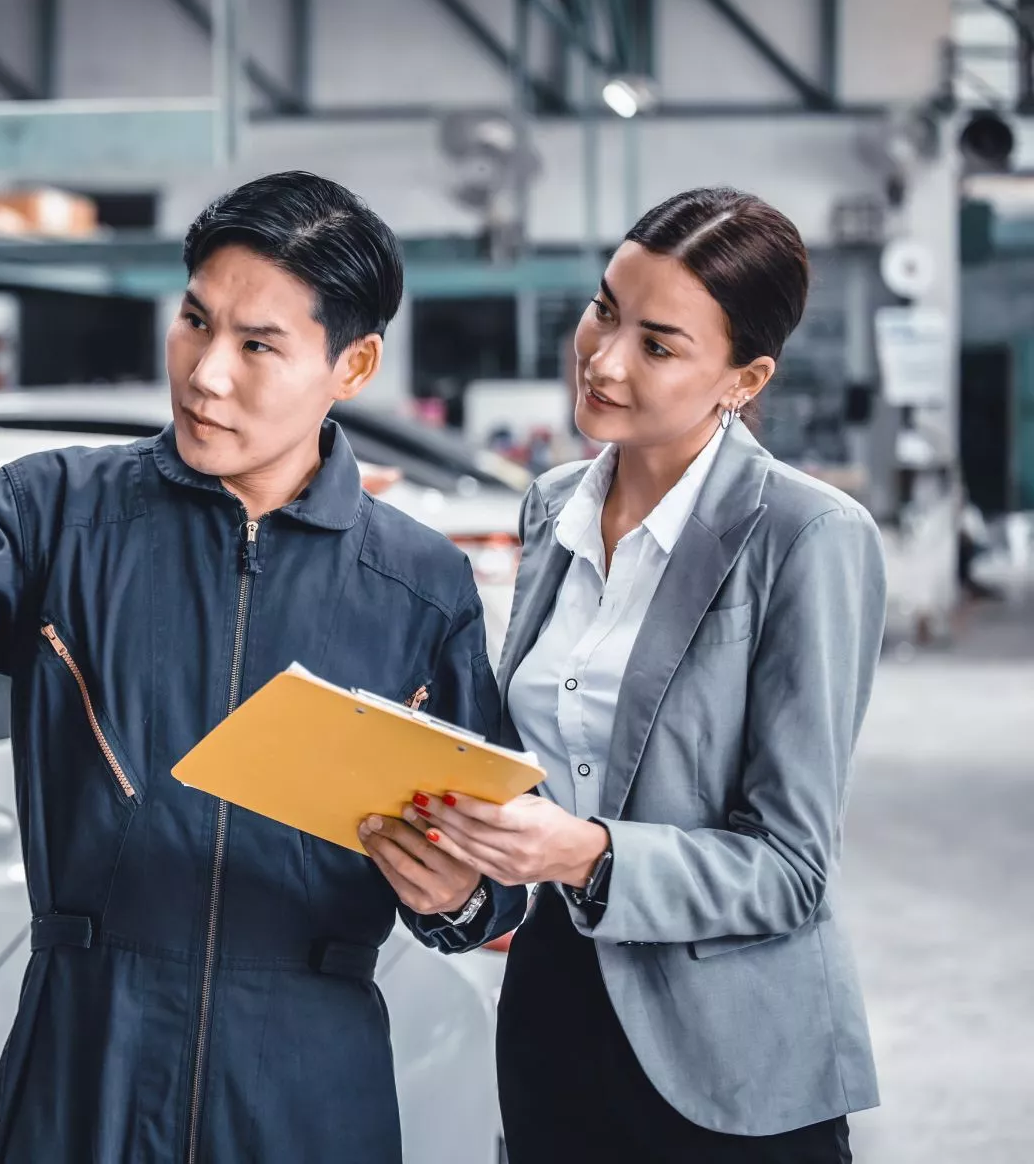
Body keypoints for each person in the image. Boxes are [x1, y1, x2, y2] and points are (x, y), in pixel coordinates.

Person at [0, 171, 525, 1162]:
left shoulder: (417, 584)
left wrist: (457, 893)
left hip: (307, 1078)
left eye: (258, 345)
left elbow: (493, 871)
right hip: (87, 1052)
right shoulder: (54, 516)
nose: (207, 372)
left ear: (355, 363)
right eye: (196, 322)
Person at [376, 187, 883, 1162]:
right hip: (552, 1022)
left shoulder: (809, 537)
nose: (603, 358)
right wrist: (463, 886)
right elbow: (535, 786)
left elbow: (789, 867)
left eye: (658, 343)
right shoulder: (551, 509)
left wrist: (585, 852)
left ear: (744, 378)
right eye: (605, 307)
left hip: (732, 1064)